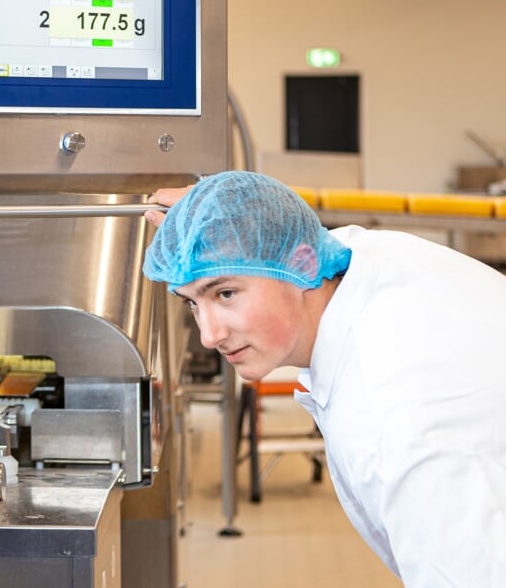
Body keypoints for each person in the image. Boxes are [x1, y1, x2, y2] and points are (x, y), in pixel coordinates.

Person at [142, 170, 506, 586]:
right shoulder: (351, 256)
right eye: (192, 303)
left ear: (301, 264)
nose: (209, 336)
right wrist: (222, 209)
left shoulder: (396, 424)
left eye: (225, 293)